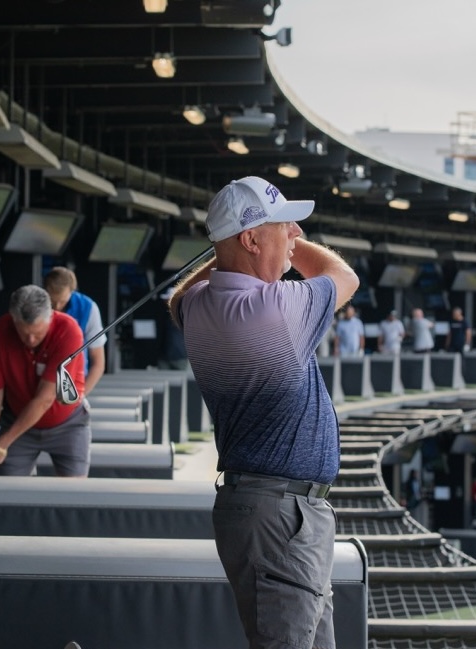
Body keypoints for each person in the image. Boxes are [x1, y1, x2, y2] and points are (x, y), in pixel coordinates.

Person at [166, 176, 359, 649]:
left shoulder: (197, 306)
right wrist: (230, 252)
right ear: (251, 239)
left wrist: (229, 250)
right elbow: (345, 278)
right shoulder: (274, 308)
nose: (295, 233)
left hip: (267, 511)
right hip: (282, 518)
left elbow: (177, 297)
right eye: (284, 225)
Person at [0, 285, 92, 477]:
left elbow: (44, 399)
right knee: (10, 493)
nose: (31, 340)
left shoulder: (69, 331)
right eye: (24, 333)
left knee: (75, 495)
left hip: (68, 424)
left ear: (51, 317)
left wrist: (1, 444)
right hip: (17, 421)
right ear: (13, 320)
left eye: (38, 334)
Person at [43, 267, 106, 395]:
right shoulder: (37, 305)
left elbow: (98, 362)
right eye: (52, 302)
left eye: (62, 302)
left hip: (73, 382)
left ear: (72, 291)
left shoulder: (88, 308)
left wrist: (80, 397)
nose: (57, 307)